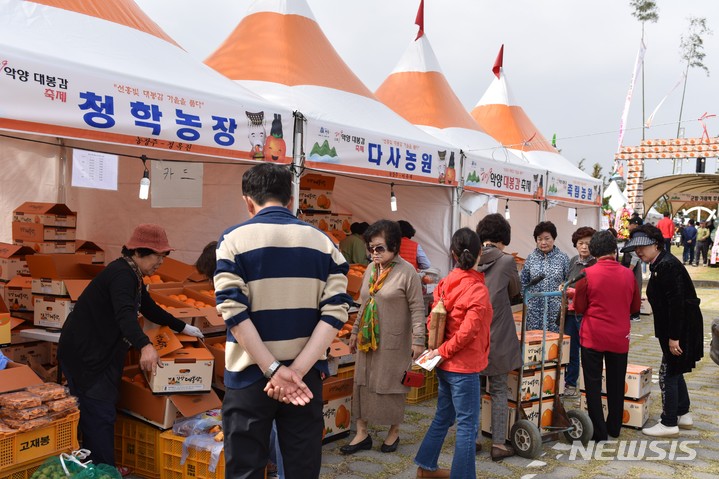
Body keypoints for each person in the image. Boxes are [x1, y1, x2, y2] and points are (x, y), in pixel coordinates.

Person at [215, 163, 353, 479]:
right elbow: (335, 314)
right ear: (290, 200)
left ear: (247, 201)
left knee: (245, 470)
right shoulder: (325, 244)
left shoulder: (233, 240)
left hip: (249, 376)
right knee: (302, 468)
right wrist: (295, 372)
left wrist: (274, 371)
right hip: (305, 381)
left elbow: (234, 314)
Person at [58, 224, 203, 468]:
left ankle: (94, 465)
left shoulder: (133, 274)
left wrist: (182, 327)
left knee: (99, 409)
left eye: (164, 256)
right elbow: (125, 314)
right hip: (86, 354)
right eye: (158, 256)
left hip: (102, 352)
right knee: (99, 411)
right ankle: (104, 470)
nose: (161, 262)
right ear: (139, 252)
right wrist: (145, 345)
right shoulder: (121, 275)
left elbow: (148, 307)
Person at [342, 220, 426, 455]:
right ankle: (362, 432)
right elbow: (364, 303)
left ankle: (393, 431)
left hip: (394, 341)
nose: (374, 253)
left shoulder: (407, 272)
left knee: (391, 386)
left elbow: (418, 308)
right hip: (369, 340)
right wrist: (355, 331)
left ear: (394, 247)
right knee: (362, 383)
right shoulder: (371, 269)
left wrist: (419, 340)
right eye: (371, 248)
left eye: (379, 248)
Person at [414, 228, 492, 479]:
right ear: (480, 252)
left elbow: (432, 321)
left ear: (453, 253)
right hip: (463, 366)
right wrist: (443, 351)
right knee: (467, 427)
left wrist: (438, 352)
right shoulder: (477, 289)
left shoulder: (447, 282)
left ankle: (426, 468)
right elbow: (468, 333)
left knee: (444, 417)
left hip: (444, 363)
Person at [622, 225, 704, 437]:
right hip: (676, 327)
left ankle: (669, 423)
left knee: (668, 373)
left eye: (643, 247)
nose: (639, 252)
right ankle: (683, 413)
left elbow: (676, 304)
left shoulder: (667, 265)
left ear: (656, 243)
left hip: (681, 328)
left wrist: (674, 338)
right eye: (636, 248)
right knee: (675, 369)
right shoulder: (660, 263)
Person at [573, 230, 640, 441]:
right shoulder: (628, 274)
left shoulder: (587, 275)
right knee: (616, 381)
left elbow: (580, 307)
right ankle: (615, 426)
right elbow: (635, 306)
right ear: (614, 250)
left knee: (592, 383)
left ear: (594, 252)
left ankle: (598, 431)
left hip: (593, 335)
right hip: (620, 336)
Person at [474, 214, 521, 460]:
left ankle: (473, 438)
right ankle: (499, 444)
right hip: (499, 334)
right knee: (499, 389)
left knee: (474, 388)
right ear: (503, 237)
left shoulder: (471, 257)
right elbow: (515, 290)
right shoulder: (506, 261)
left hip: (472, 335)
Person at [563, 226, 597, 398]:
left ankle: (588, 386)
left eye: (588, 244)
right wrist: (564, 287)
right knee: (571, 349)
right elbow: (568, 280)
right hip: (570, 313)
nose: (584, 247)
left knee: (588, 351)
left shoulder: (596, 263)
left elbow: (595, 290)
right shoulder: (573, 261)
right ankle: (570, 383)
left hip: (586, 314)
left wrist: (576, 293)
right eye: (580, 243)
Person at [520, 221, 569, 332]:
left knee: (554, 343)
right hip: (534, 311)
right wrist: (528, 300)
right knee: (534, 343)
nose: (543, 242)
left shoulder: (563, 258)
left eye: (547, 238)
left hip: (555, 310)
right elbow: (523, 281)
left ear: (554, 238)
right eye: (539, 239)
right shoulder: (531, 258)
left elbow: (568, 281)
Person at [621, 216, 643, 322]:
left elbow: (635, 256)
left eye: (630, 224)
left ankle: (635, 314)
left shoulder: (636, 238)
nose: (628, 226)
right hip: (630, 266)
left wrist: (629, 270)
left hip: (633, 267)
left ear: (636, 225)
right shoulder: (632, 237)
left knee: (634, 289)